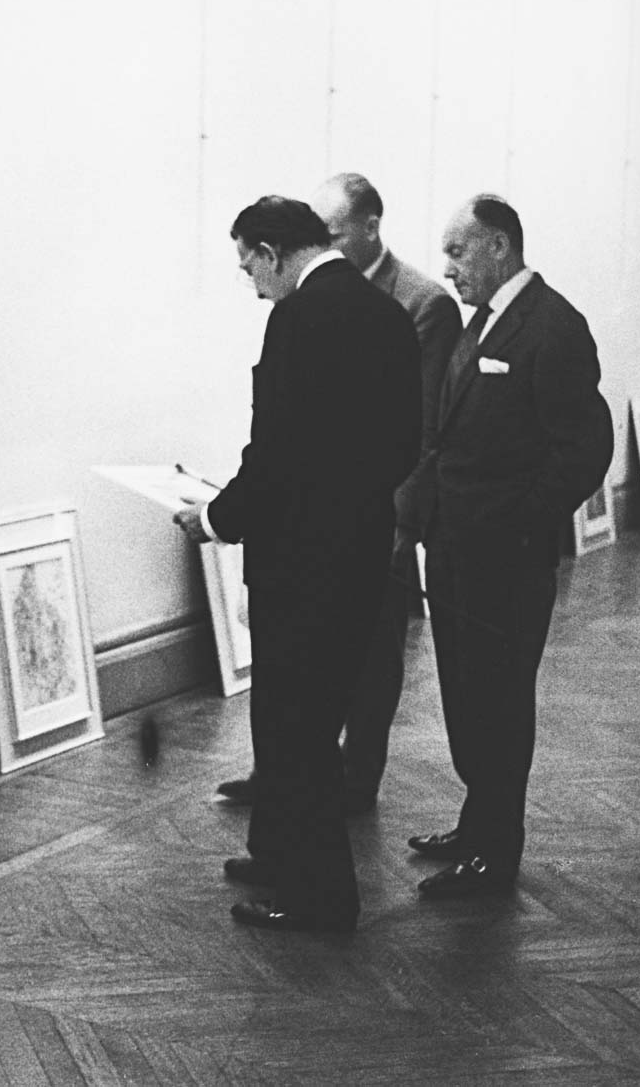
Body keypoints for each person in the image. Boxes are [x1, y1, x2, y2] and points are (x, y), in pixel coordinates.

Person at [175, 196, 422, 932]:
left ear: (274, 252)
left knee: (298, 724)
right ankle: (278, 846)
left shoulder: (299, 316)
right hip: (354, 549)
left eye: (248, 261)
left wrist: (215, 518)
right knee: (296, 714)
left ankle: (317, 896)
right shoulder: (384, 311)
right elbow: (404, 441)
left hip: (300, 560)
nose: (248, 278)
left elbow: (276, 451)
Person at [216, 173, 462, 812]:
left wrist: (392, 521)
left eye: (250, 269)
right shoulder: (363, 305)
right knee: (313, 689)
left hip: (352, 529)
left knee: (357, 666)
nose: (251, 285)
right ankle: (293, 792)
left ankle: (348, 783)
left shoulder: (414, 302)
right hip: (344, 519)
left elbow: (424, 429)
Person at [409, 195, 613, 897]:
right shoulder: (480, 324)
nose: (447, 267)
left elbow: (586, 447)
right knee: (466, 696)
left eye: (457, 251)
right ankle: (475, 824)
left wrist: (521, 522)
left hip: (504, 558)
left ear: (497, 246)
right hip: (454, 551)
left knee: (497, 700)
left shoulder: (551, 326)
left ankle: (494, 850)